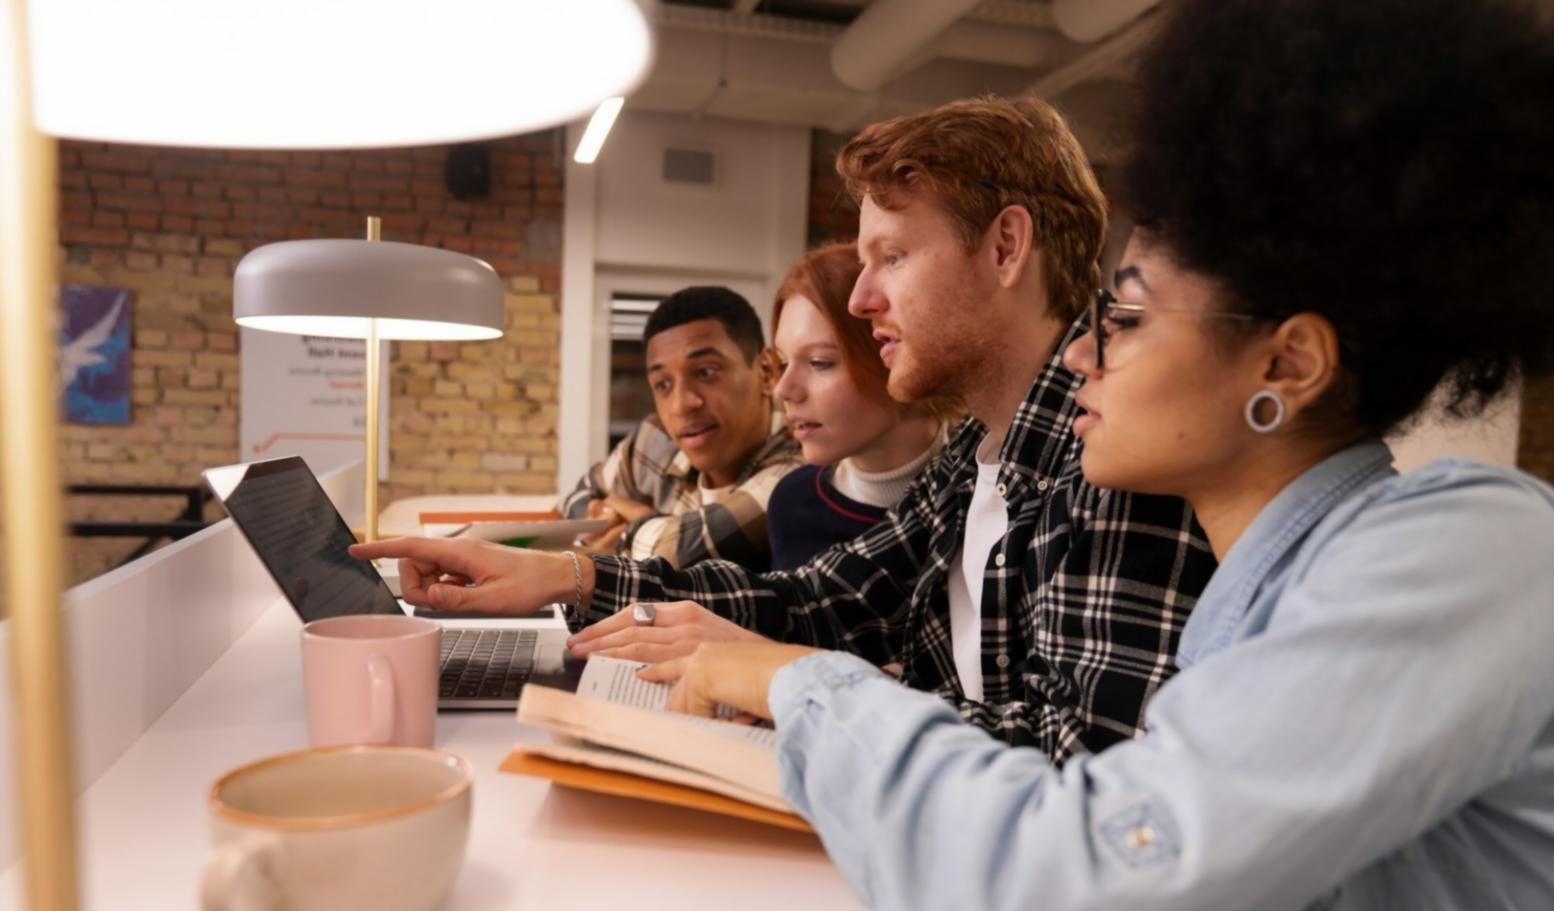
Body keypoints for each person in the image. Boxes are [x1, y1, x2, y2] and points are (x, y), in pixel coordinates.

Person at [642, 0, 1554, 911]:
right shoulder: (1253, 608)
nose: (1082, 351)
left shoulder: (1474, 546)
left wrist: (799, 685)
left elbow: (1070, 887)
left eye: (1126, 316)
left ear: (1286, 364)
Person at [354, 96, 1217, 762]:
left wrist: (797, 683)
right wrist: (566, 573)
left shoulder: (1121, 450)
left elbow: (1087, 763)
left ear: (1005, 248)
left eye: (893, 256)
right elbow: (825, 599)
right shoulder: (975, 451)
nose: (862, 298)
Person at [559, 285, 799, 568]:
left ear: (766, 371)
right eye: (663, 384)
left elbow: (682, 553)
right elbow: (580, 494)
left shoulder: (803, 460)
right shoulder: (657, 439)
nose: (681, 405)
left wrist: (626, 535)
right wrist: (602, 514)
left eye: (706, 371)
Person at [766, 242, 957, 569]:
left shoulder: (982, 493)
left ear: (894, 352)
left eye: (820, 362)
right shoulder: (792, 503)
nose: (783, 390)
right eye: (783, 363)